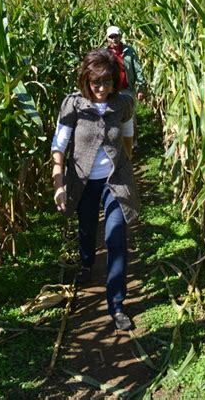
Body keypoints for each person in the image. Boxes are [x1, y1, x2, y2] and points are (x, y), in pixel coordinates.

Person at [51, 48, 140, 331]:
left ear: (115, 81)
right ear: (86, 80)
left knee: (116, 237)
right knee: (87, 227)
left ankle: (117, 304)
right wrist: (59, 184)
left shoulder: (123, 103)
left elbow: (127, 135)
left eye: (108, 82)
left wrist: (125, 164)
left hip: (115, 180)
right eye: (96, 83)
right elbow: (59, 145)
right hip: (83, 179)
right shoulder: (74, 105)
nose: (102, 89)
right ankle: (87, 263)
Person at [106, 26, 146, 147]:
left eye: (116, 36)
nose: (114, 39)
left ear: (120, 36)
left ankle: (133, 143)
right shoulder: (104, 53)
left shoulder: (129, 51)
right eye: (111, 37)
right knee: (113, 118)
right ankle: (117, 144)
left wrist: (141, 86)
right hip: (111, 91)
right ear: (107, 38)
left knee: (130, 117)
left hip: (126, 89)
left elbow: (138, 69)